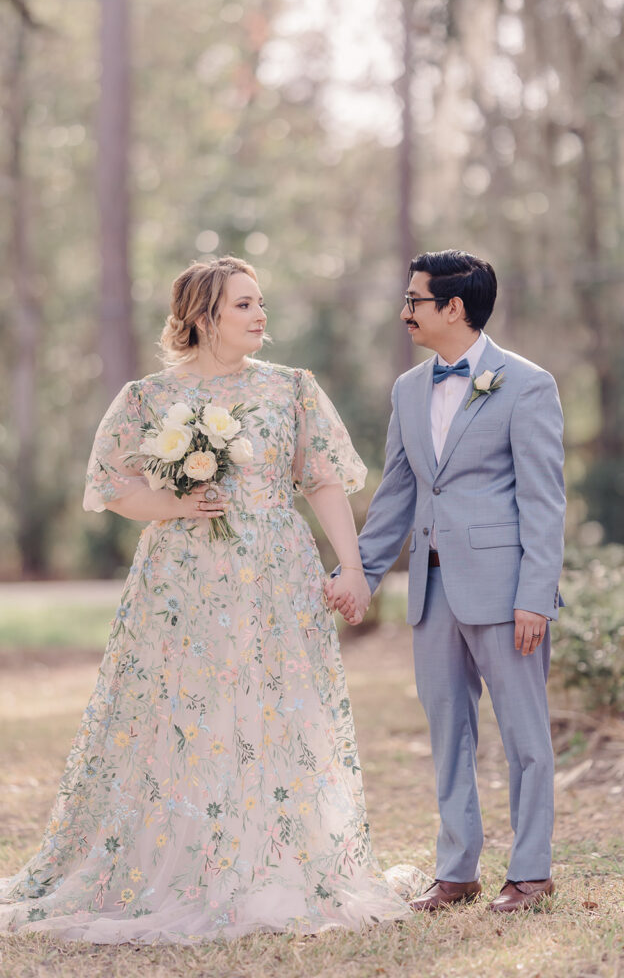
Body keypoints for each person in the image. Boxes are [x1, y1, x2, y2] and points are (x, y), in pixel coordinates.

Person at [0, 255, 411, 942]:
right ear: (202, 316)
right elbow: (112, 486)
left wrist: (353, 568)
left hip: (275, 573)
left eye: (260, 302)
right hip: (182, 579)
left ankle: (275, 859)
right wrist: (177, 503)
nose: (260, 314)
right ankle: (184, 859)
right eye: (243, 304)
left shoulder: (291, 388)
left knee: (276, 705)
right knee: (184, 707)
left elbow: (322, 481)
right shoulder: (146, 398)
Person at [328, 249, 565, 914]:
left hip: (505, 592)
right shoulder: (408, 390)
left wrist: (535, 596)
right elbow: (397, 495)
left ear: (453, 307)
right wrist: (358, 573)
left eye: (415, 300)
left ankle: (531, 872)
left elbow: (543, 501)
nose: (404, 311)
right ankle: (457, 870)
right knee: (448, 735)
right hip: (430, 596)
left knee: (525, 738)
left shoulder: (527, 384)